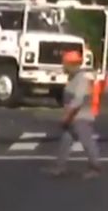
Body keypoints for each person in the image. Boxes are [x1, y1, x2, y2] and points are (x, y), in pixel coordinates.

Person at [44, 50, 102, 179]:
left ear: (72, 64)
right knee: (66, 141)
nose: (63, 67)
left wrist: (68, 115)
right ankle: (60, 167)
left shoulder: (81, 79)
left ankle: (95, 168)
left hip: (81, 117)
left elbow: (78, 100)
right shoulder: (74, 78)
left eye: (65, 64)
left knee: (87, 142)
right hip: (73, 118)